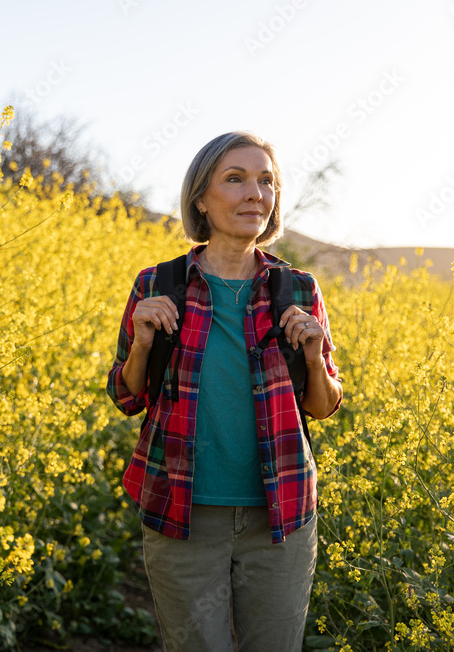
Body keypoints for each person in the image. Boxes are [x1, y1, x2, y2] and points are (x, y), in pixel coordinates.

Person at [106, 132, 343, 651]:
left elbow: (323, 406)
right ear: (200, 199)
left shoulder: (298, 289)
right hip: (181, 510)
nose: (254, 193)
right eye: (235, 179)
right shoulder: (158, 284)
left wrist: (312, 354)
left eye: (266, 181)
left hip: (280, 514)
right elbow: (127, 397)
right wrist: (141, 344)